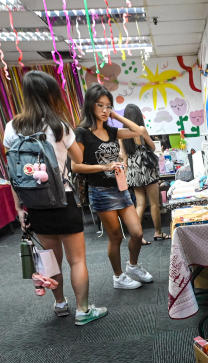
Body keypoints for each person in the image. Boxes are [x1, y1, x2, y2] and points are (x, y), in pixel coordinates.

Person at [2, 70, 106, 326]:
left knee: (50, 258)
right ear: (51, 94)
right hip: (63, 199)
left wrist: (19, 206)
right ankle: (83, 310)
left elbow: (13, 170)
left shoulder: (12, 127)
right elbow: (79, 159)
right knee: (77, 259)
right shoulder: (59, 126)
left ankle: (60, 304)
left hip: (35, 204)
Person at [73, 84, 153, 290]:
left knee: (137, 232)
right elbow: (76, 166)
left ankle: (132, 266)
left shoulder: (110, 129)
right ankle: (118, 277)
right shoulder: (82, 133)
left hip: (120, 188)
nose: (104, 110)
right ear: (90, 105)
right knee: (116, 236)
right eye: (100, 105)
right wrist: (104, 166)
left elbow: (141, 131)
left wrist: (116, 116)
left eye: (108, 106)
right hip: (100, 191)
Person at [122, 104, 166, 241]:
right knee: (154, 203)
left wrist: (126, 175)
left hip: (133, 171)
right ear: (138, 115)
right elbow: (152, 147)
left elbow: (124, 157)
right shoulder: (141, 129)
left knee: (140, 204)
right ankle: (158, 232)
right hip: (147, 169)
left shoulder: (122, 133)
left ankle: (137, 237)